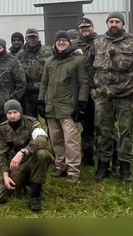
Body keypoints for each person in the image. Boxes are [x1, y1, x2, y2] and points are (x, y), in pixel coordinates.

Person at [90, 12, 133, 183]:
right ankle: (103, 165)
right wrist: (93, 87)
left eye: (117, 22)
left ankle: (124, 166)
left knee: (126, 131)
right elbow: (89, 66)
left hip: (126, 94)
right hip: (103, 95)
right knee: (103, 131)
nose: (114, 24)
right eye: (111, 21)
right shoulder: (97, 42)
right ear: (107, 24)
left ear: (123, 24)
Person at [38, 31, 89, 183]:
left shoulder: (78, 60)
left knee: (71, 140)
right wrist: (41, 101)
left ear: (69, 42)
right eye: (58, 40)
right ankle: (61, 165)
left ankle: (73, 170)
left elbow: (84, 83)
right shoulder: (49, 61)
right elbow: (44, 83)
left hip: (69, 107)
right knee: (55, 139)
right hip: (51, 107)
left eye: (64, 40)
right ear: (55, 43)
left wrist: (81, 104)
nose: (61, 43)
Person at [0, 100, 53, 212]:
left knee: (41, 154)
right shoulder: (3, 128)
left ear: (20, 112)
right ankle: (26, 182)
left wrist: (23, 152)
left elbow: (42, 139)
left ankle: (35, 195)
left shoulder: (32, 122)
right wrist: (5, 175)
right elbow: (2, 152)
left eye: (15, 112)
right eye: (9, 113)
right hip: (18, 165)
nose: (13, 116)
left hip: (33, 159)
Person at [0, 38, 27, 162]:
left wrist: (13, 102)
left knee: (8, 133)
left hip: (6, 107)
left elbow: (21, 83)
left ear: (4, 48)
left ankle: (9, 155)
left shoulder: (13, 62)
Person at [73, 17, 99, 167]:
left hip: (100, 90)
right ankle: (88, 155)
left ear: (93, 27)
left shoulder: (102, 42)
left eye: (87, 26)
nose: (85, 29)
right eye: (82, 27)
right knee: (87, 125)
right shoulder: (75, 46)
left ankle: (107, 157)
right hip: (82, 91)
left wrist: (95, 86)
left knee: (103, 125)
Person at [16, 28, 53, 118]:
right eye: (30, 37)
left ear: (38, 37)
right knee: (30, 119)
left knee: (49, 117)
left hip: (45, 91)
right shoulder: (20, 54)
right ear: (25, 38)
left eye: (34, 37)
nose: (32, 39)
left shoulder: (48, 51)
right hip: (28, 93)